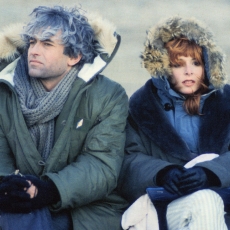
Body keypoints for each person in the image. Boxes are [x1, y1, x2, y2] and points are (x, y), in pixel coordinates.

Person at [0, 5, 129, 230]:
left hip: (85, 210)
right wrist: (8, 187)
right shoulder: (5, 92)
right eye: (32, 42)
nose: (34, 51)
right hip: (13, 202)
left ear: (74, 56)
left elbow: (101, 166)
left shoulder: (108, 95)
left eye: (47, 44)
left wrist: (48, 190)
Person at [117, 16, 230, 230]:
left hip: (226, 201)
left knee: (207, 200)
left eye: (196, 63)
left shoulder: (227, 102)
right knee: (205, 201)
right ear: (163, 68)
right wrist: (163, 173)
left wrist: (209, 173)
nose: (189, 71)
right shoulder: (141, 107)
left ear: (207, 64)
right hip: (166, 205)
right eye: (178, 64)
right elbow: (127, 161)